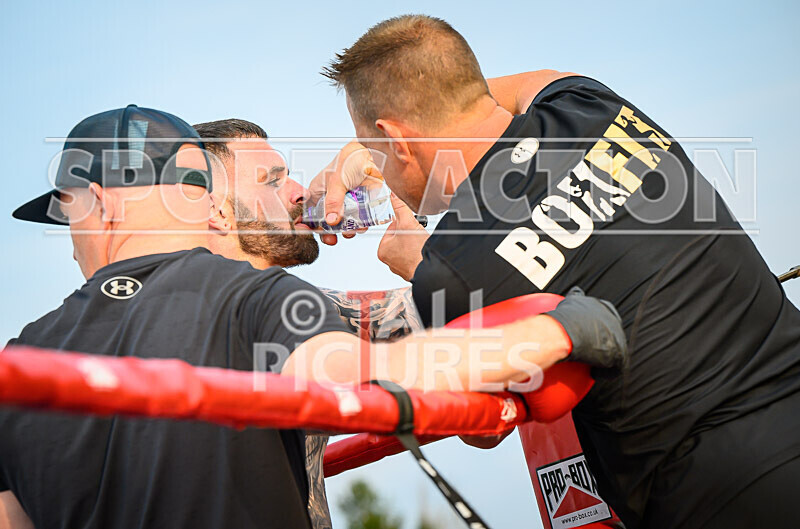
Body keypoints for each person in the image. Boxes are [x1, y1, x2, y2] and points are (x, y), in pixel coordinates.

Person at [1, 107, 625, 528]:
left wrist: (405, 223)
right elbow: (381, 376)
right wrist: (551, 331)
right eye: (274, 179)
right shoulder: (254, 299)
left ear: (101, 207)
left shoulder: (18, 359)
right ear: (209, 206)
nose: (299, 192)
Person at [317, 14, 800, 529]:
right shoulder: (591, 105)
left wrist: (416, 262)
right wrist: (372, 138)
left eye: (375, 148)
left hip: (712, 495)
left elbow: (482, 427)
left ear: (397, 140)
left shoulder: (451, 268)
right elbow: (527, 82)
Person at [192, 118, 423, 529]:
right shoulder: (225, 315)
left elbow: (441, 312)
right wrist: (425, 262)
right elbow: (464, 319)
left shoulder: (301, 308)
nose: (299, 192)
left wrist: (404, 199)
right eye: (273, 181)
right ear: (217, 211)